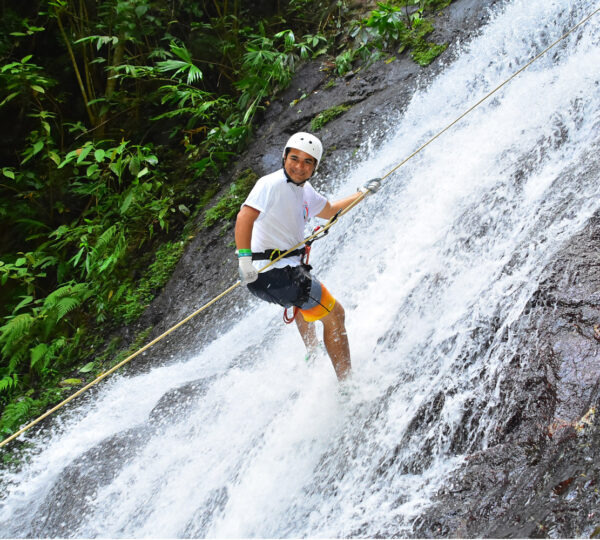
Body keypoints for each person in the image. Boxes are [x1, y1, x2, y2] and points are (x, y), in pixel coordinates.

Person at [234, 132, 381, 381]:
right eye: (294, 158)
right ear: (284, 157)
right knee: (335, 315)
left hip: (275, 276)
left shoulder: (305, 191)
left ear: (315, 167)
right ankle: (347, 384)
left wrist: (363, 193)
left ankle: (312, 353)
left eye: (307, 162)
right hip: (273, 273)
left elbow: (330, 210)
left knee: (304, 299)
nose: (299, 166)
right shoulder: (270, 184)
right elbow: (244, 217)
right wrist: (244, 261)